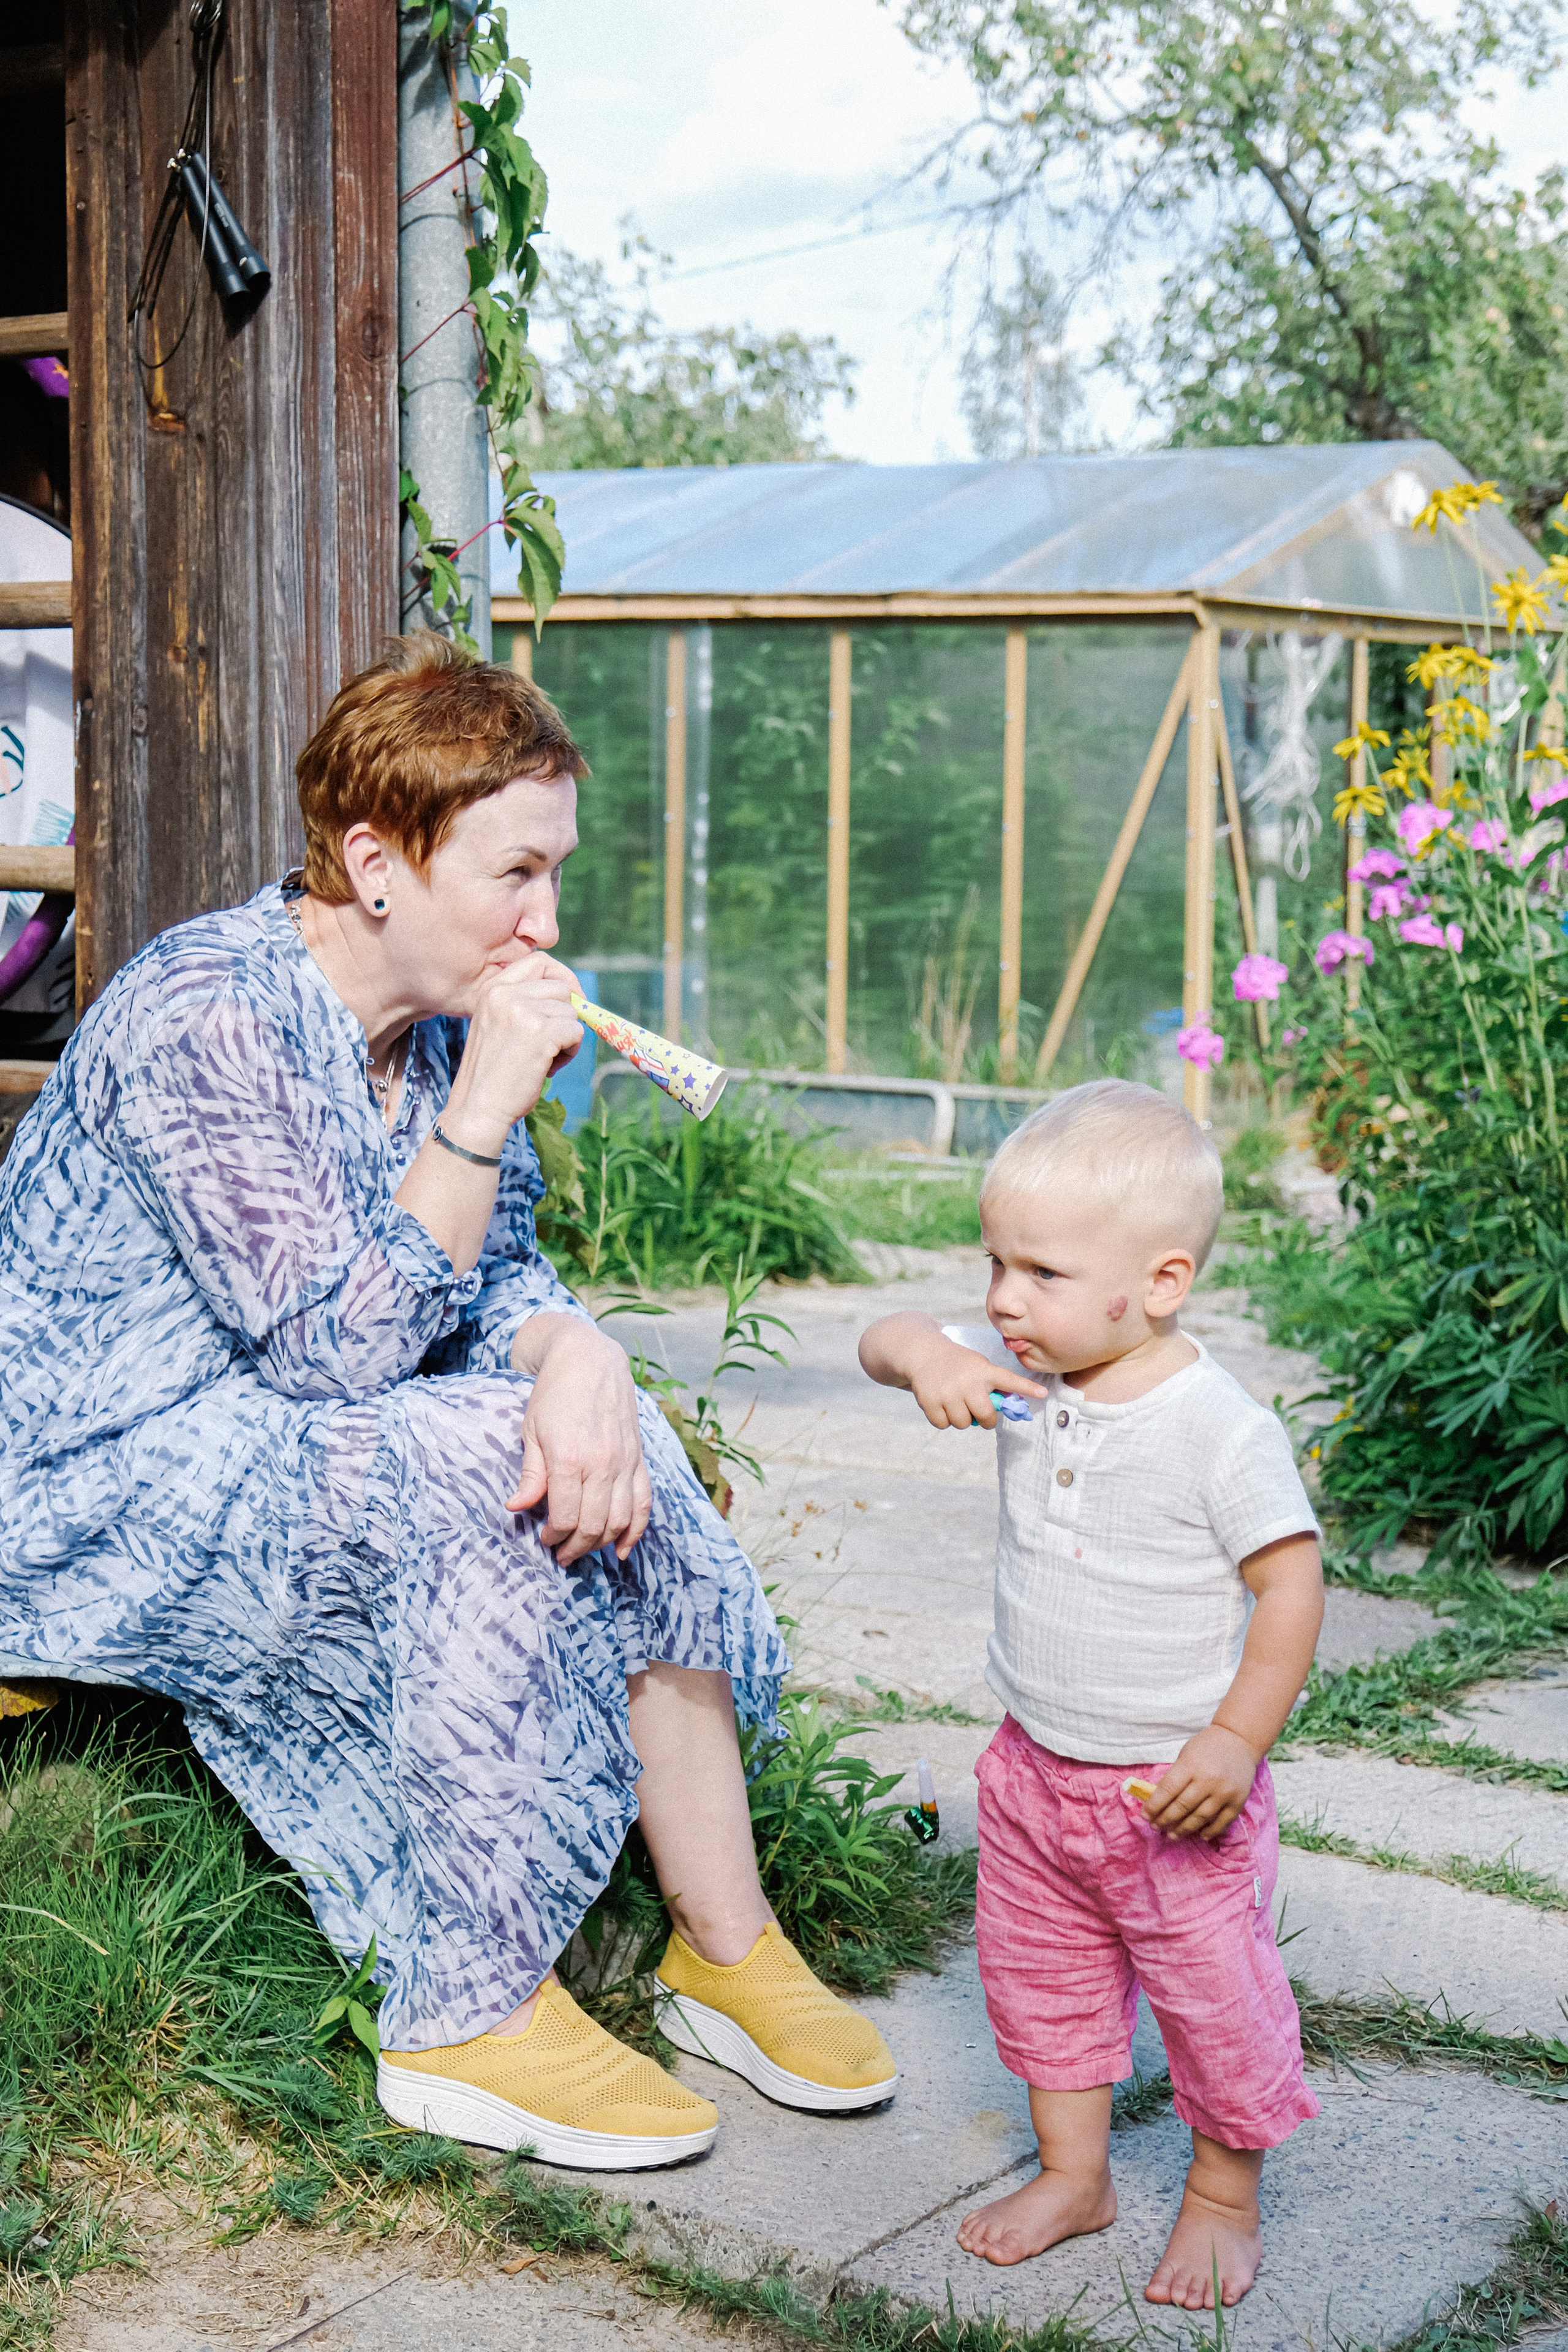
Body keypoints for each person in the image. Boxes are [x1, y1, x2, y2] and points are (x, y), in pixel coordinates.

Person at [0, 632, 896, 2169]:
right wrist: (485, 1111)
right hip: (74, 1489)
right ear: (375, 863)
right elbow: (328, 1359)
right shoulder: (205, 1013)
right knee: (480, 1442)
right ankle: (460, 2007)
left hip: (263, 1442)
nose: (547, 920)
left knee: (592, 1427)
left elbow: (507, 1290)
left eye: (555, 873)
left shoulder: (426, 1039)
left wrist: (588, 1364)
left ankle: (721, 1943)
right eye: (515, 875)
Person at [857, 1079, 1322, 2310]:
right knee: (1040, 1984)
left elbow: (1288, 1588)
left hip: (1168, 1797)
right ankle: (1077, 2175)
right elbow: (884, 1332)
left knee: (1214, 2003)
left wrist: (1233, 1740)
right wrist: (921, 1356)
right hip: (1030, 1776)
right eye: (993, 1263)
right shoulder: (1027, 1369)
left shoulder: (1213, 1428)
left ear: (1157, 1284)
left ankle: (1222, 2195)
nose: (1004, 1299)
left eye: (1042, 1274)